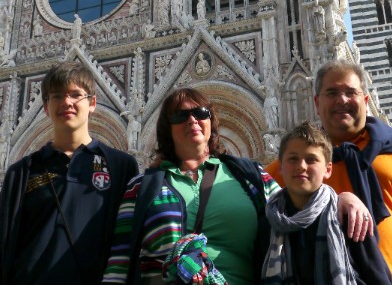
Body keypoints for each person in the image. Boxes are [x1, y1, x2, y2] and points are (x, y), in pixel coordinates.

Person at [265, 60, 392, 285]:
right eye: (332, 93)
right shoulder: (294, 163)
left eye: (351, 92)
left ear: (365, 101)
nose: (342, 100)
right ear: (317, 103)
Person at [102, 87, 279, 284]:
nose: (192, 120)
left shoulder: (250, 177)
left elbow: (291, 217)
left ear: (211, 120)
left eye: (201, 113)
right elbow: (120, 261)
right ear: (167, 128)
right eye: (180, 115)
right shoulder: (141, 187)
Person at [0, 62, 139, 284]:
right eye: (57, 96)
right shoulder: (20, 173)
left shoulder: (121, 166)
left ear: (92, 103)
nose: (67, 102)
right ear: (46, 107)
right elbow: (0, 252)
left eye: (76, 95)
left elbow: (129, 240)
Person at [262, 121, 392, 285]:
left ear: (328, 169)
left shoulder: (349, 217)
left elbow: (378, 277)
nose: (301, 166)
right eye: (293, 158)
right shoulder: (268, 222)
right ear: (280, 167)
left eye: (311, 159)